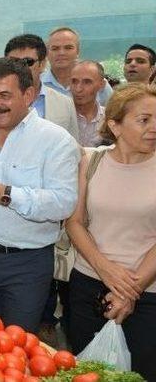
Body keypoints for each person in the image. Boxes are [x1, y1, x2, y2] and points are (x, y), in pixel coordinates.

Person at [0, 57, 80, 332]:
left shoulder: (56, 140)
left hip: (27, 262)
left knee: (17, 343)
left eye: (4, 95)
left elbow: (63, 203)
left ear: (28, 95)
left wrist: (7, 194)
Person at [66, 83, 156, 380]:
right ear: (115, 125)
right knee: (85, 372)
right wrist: (106, 271)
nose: (153, 127)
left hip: (147, 295)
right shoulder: (91, 161)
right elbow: (75, 222)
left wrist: (131, 290)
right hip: (88, 286)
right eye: (144, 120)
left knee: (140, 373)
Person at [5, 34, 80, 140]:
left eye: (28, 62)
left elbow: (73, 148)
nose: (19, 68)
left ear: (42, 64)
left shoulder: (65, 103)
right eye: (14, 62)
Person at [41, 27, 113, 105]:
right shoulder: (37, 84)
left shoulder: (99, 84)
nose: (61, 53)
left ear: (78, 51)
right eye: (55, 48)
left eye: (68, 48)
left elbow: (113, 113)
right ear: (47, 53)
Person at [71, 61, 106, 147]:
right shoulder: (58, 116)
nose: (78, 89)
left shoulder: (109, 118)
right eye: (74, 81)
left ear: (101, 85)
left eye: (87, 82)